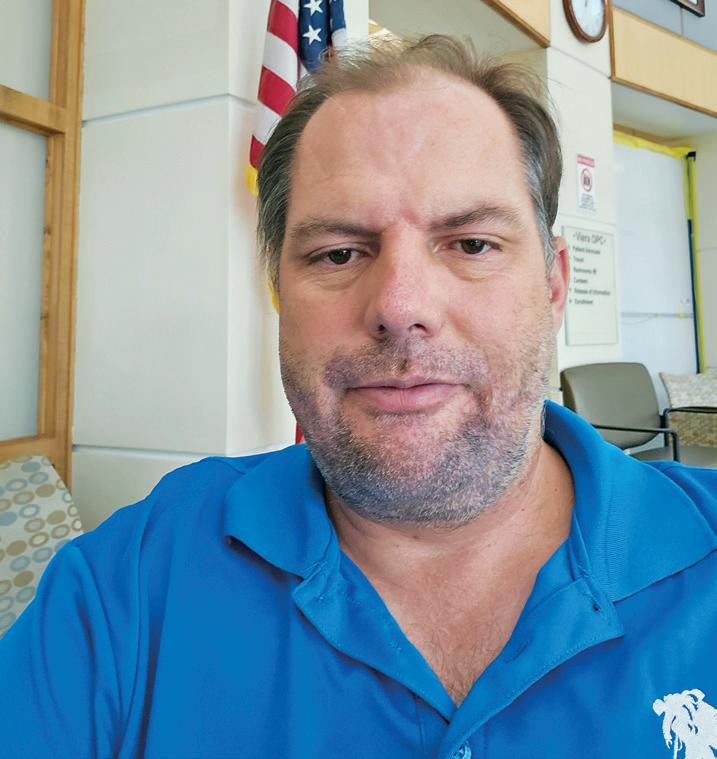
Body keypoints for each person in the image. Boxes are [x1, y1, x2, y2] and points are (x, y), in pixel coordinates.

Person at [1, 34, 716, 759]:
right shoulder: (126, 586)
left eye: (471, 243)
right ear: (279, 292)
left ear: (554, 284)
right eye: (338, 253)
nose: (400, 306)